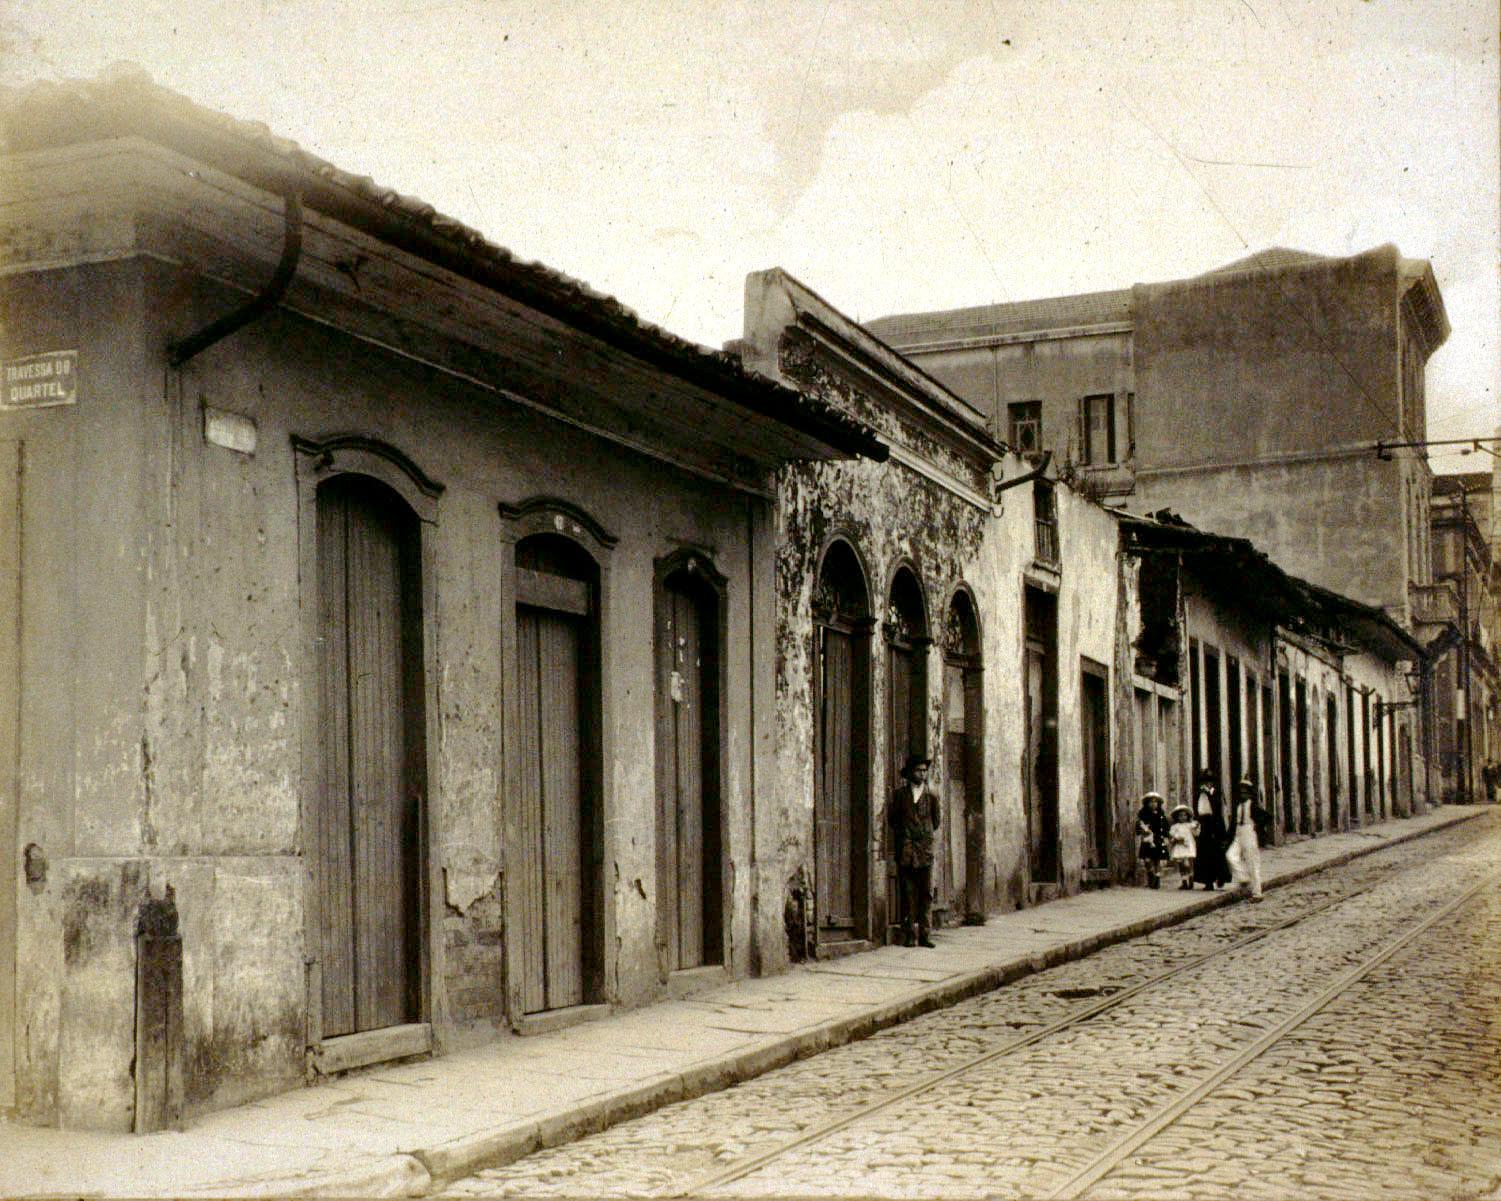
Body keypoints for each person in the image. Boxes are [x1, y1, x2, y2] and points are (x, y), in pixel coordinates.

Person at [887, 754, 940, 947]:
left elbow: (936, 822)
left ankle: (925, 935)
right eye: (919, 770)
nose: (922, 774)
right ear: (910, 773)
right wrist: (905, 835)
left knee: (925, 893)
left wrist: (923, 836)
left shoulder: (931, 796)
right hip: (906, 850)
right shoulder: (900, 795)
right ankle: (909, 935)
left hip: (924, 850)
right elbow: (892, 820)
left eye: (925, 771)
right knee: (907, 893)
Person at [1226, 777, 1268, 902]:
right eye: (1241, 792)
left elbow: (1267, 817)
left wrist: (1257, 825)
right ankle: (1243, 878)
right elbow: (1233, 823)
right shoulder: (1238, 806)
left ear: (1250, 793)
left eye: (1245, 792)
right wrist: (1228, 837)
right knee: (1230, 855)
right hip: (1238, 833)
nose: (1243, 794)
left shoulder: (1253, 805)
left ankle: (1257, 893)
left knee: (1252, 863)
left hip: (1249, 832)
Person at [1191, 770, 1230, 891]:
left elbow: (1220, 811)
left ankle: (1221, 877)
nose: (1207, 784)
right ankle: (1208, 881)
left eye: (1210, 782)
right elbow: (1197, 810)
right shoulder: (1198, 794)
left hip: (1215, 825)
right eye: (1205, 782)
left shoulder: (1216, 794)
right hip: (1203, 825)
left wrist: (1223, 831)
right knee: (1204, 854)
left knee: (1218, 853)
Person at [1135, 792, 1169, 889]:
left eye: (1155, 802)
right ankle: (1151, 874)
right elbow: (1139, 826)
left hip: (1157, 839)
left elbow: (1165, 826)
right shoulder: (1143, 815)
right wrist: (1141, 829)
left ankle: (1157, 878)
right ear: (1146, 803)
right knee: (1147, 859)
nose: (1153, 804)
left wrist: (1166, 836)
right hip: (1147, 839)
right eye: (1151, 802)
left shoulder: (1161, 815)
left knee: (1157, 859)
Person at [1166, 803, 1199, 890]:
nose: (1183, 817)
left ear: (1187, 816)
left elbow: (1196, 834)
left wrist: (1196, 827)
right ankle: (1184, 881)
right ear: (1177, 817)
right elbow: (1172, 834)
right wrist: (1177, 838)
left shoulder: (1190, 825)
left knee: (1189, 863)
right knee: (1181, 864)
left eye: (1184, 815)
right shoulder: (1175, 826)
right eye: (1180, 815)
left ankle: (1191, 879)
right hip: (1180, 846)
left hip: (1188, 846)